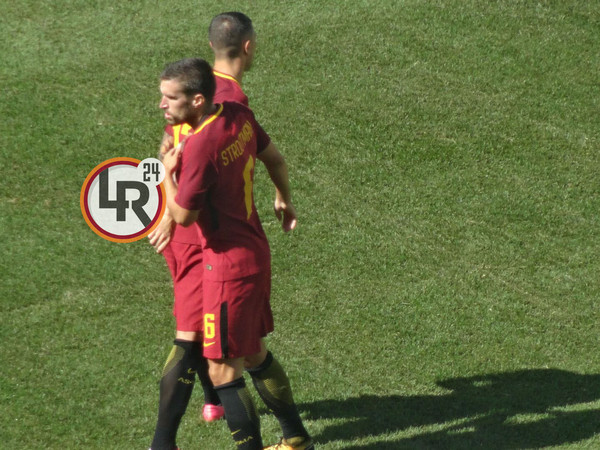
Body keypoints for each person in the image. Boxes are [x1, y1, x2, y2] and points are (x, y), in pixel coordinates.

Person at [158, 58, 313, 450]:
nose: (162, 105)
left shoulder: (200, 147)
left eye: (170, 98)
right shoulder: (238, 115)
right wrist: (284, 198)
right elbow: (275, 158)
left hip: (227, 268)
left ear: (197, 100)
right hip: (253, 250)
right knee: (255, 352)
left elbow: (184, 216)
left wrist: (167, 175)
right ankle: (296, 439)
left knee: (223, 371)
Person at [148, 12, 257, 428]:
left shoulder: (200, 87)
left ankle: (213, 399)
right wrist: (172, 214)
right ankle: (163, 440)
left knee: (205, 329)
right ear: (248, 46)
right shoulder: (225, 100)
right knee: (193, 333)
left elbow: (168, 141)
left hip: (185, 217)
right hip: (195, 229)